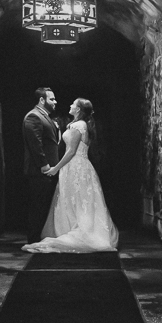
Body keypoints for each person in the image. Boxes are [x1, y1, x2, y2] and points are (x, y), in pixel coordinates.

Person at [22, 98, 119, 253]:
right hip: (76, 167)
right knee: (75, 201)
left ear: (79, 109)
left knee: (76, 201)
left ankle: (76, 232)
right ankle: (70, 228)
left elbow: (71, 151)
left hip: (75, 168)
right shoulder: (78, 125)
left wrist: (55, 168)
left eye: (73, 104)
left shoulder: (79, 125)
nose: (70, 105)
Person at [22, 87, 61, 245]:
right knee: (38, 207)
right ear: (42, 100)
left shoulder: (46, 117)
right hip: (39, 171)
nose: (55, 102)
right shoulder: (33, 117)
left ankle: (39, 238)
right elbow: (35, 144)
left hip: (48, 171)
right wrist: (44, 165)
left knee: (44, 206)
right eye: (51, 99)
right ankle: (33, 240)